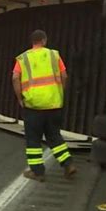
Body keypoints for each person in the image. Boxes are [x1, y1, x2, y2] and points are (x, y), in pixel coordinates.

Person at [12, 29, 77, 182]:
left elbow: (15, 78)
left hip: (33, 106)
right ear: (44, 40)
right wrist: (59, 92)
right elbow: (64, 75)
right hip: (54, 104)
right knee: (54, 135)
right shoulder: (54, 55)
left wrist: (19, 97)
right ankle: (68, 165)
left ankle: (38, 172)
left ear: (32, 42)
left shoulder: (23, 58)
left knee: (33, 139)